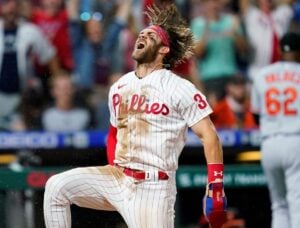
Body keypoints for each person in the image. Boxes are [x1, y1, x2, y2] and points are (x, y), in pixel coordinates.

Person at [43, 4, 227, 228]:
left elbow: (209, 135)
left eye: (151, 35)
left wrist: (215, 185)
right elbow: (113, 134)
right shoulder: (120, 85)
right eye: (142, 33)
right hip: (118, 177)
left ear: (164, 49)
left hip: (153, 186)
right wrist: (115, 168)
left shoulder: (179, 87)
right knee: (56, 188)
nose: (143, 34)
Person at [251, 31, 300, 228]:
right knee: (297, 202)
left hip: (269, 142)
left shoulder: (262, 74)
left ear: (280, 50)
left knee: (278, 205)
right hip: (295, 140)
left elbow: (255, 114)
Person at [0, 0, 59, 130]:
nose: (10, 11)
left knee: (20, 133)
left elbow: (50, 55)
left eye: (13, 8)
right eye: (6, 7)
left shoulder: (30, 30)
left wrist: (57, 82)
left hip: (21, 96)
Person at [240, 0, 294, 81]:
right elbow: (244, 3)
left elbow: (289, 2)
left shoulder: (281, 13)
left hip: (280, 72)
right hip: (257, 71)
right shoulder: (252, 15)